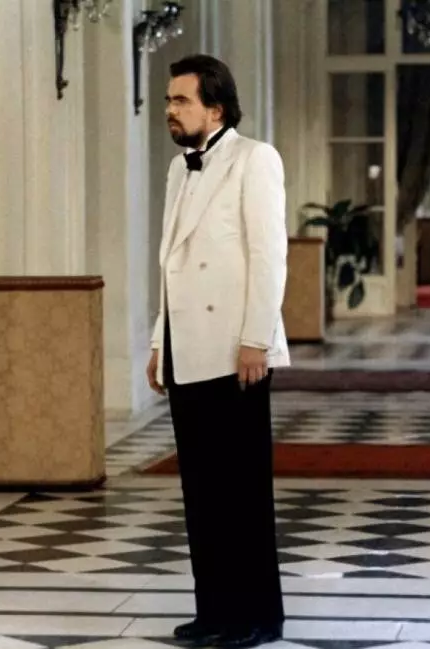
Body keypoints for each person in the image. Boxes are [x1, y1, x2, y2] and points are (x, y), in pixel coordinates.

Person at [146, 54, 290, 649]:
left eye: (181, 100)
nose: (170, 109)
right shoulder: (178, 168)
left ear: (216, 108)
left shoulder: (255, 159)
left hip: (236, 350)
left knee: (242, 492)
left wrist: (257, 337)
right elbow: (170, 263)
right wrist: (158, 342)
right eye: (169, 100)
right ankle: (214, 612)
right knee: (201, 491)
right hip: (185, 348)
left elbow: (269, 255)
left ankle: (256, 617)